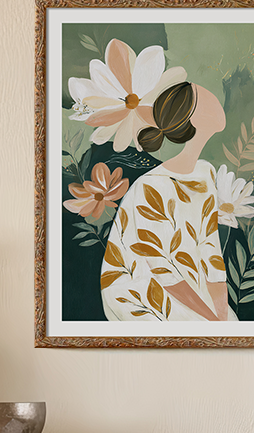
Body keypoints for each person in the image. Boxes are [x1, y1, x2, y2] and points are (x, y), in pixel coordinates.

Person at [100, 81, 234, 322]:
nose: (216, 101)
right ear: (193, 119)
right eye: (206, 98)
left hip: (188, 281)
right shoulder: (150, 186)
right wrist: (210, 318)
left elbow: (209, 245)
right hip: (140, 292)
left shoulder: (205, 173)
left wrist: (221, 311)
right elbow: (160, 267)